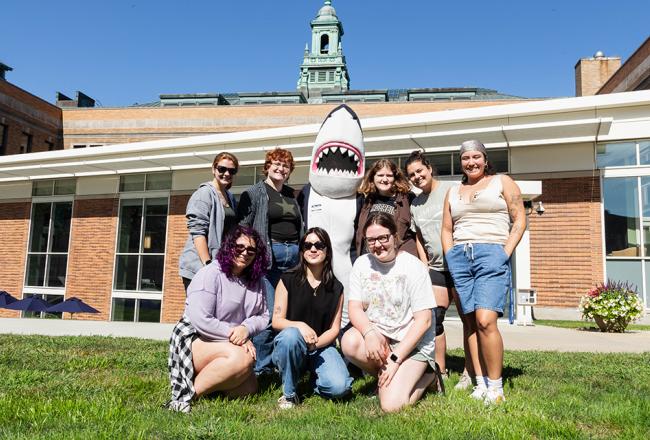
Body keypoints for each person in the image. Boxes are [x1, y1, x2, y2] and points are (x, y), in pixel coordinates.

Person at [441, 139, 526, 405]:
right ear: (461, 162)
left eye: (476, 157)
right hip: (461, 258)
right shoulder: (453, 191)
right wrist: (451, 257)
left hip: (492, 253)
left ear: (485, 159)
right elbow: (446, 228)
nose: (471, 162)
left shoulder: (502, 181)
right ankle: (479, 383)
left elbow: (519, 218)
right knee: (469, 322)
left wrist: (505, 252)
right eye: (466, 158)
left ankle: (496, 387)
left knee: (486, 320)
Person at [167, 226, 269, 413]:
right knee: (242, 359)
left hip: (228, 339)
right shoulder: (210, 274)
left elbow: (263, 316)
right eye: (239, 247)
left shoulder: (256, 281)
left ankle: (212, 385)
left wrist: (246, 328)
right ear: (229, 247)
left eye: (251, 250)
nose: (244, 253)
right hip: (195, 337)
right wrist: (236, 336)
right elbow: (201, 319)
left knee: (248, 389)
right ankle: (188, 395)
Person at [342, 212, 437, 413]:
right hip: (382, 336)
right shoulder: (362, 263)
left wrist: (395, 359)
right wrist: (369, 333)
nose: (378, 245)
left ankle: (428, 377)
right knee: (350, 341)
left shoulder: (413, 267)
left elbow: (424, 321)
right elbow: (355, 307)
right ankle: (387, 378)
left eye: (383, 238)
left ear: (394, 236)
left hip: (413, 344)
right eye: (371, 240)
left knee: (391, 406)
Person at [237, 148, 304, 375]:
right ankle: (261, 368)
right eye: (276, 164)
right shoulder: (255, 192)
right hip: (268, 262)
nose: (280, 168)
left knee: (288, 313)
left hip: (293, 260)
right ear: (267, 166)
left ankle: (283, 361)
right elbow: (243, 228)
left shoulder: (292, 194)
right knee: (267, 313)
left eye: (285, 166)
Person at [271, 227, 352, 409]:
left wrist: (314, 345)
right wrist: (300, 326)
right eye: (307, 245)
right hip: (292, 345)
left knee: (340, 388)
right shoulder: (288, 279)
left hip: (321, 347)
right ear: (302, 250)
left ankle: (313, 380)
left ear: (327, 251)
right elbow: (277, 321)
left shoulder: (336, 287)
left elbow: (334, 329)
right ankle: (289, 394)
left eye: (319, 245)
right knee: (290, 336)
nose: (313, 249)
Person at [404, 150, 461, 382]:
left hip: (459, 265)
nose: (417, 177)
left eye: (419, 171)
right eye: (412, 175)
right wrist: (424, 264)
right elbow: (419, 236)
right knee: (436, 319)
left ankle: (471, 370)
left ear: (429, 168)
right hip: (436, 268)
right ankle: (441, 371)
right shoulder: (416, 204)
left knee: (470, 319)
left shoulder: (451, 189)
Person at [179, 152, 239, 291]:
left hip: (219, 265)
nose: (226, 173)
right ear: (213, 169)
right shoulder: (204, 194)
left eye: (231, 170)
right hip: (200, 266)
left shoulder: (230, 197)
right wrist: (207, 264)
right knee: (199, 310)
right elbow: (198, 232)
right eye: (222, 169)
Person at [355, 159, 417, 258]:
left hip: (397, 258)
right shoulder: (368, 200)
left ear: (395, 178)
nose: (384, 179)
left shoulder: (407, 198)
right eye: (380, 175)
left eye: (389, 175)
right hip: (371, 257)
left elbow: (417, 233)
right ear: (373, 178)